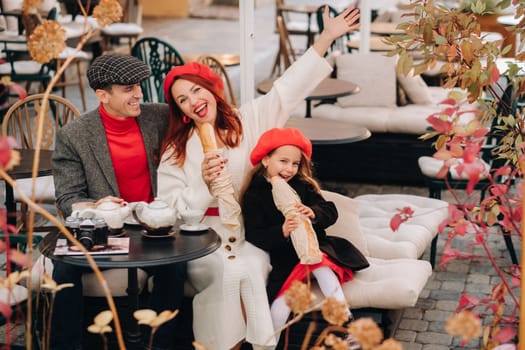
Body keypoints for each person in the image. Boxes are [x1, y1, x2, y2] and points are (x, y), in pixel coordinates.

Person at [157, 6, 361, 350]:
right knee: (226, 273)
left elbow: (288, 89)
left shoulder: (248, 120)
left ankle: (260, 345)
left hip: (251, 231)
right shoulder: (176, 149)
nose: (193, 101)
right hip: (200, 238)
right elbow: (169, 210)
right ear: (180, 111)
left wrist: (325, 37)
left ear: (212, 89)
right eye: (182, 100)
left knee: (250, 270)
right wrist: (201, 186)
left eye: (196, 91)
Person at [51, 54, 186, 350]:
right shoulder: (73, 135)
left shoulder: (159, 116)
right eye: (127, 89)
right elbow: (68, 198)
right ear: (102, 95)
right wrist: (96, 207)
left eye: (138, 85)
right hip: (108, 231)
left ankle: (159, 345)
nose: (138, 93)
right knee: (63, 270)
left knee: (176, 269)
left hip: (154, 228)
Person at [242, 128, 370, 347]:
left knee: (322, 267)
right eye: (283, 161)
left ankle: (348, 327)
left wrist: (314, 213)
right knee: (279, 309)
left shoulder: (302, 185)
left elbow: (330, 210)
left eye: (295, 163)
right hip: (286, 260)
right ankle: (267, 345)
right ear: (265, 159)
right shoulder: (255, 194)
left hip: (316, 249)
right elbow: (254, 234)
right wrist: (281, 231)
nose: (290, 169)